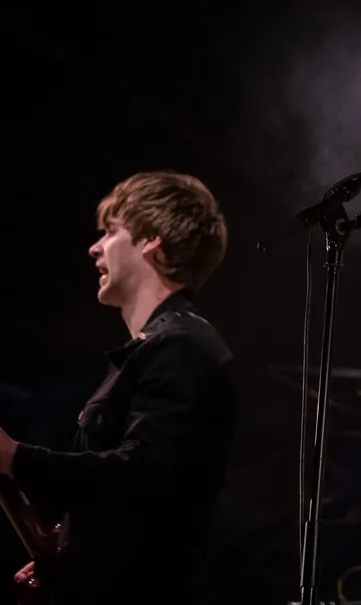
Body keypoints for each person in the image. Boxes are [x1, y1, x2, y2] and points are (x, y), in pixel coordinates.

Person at [0, 171, 236, 605]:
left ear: (152, 240)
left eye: (110, 231)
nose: (95, 247)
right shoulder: (158, 348)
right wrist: (71, 552)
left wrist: (16, 458)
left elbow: (141, 476)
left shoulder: (181, 346)